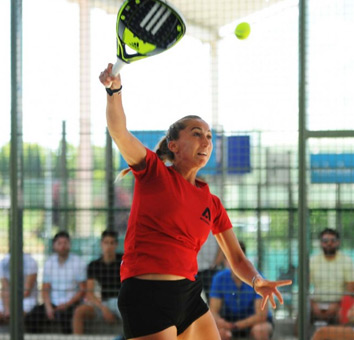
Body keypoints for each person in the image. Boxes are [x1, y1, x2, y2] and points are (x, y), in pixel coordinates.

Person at [99, 64, 291, 340]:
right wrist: (114, 90)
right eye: (196, 133)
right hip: (146, 295)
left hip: (189, 296)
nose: (206, 140)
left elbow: (236, 258)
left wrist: (257, 281)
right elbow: (119, 131)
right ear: (174, 145)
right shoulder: (153, 173)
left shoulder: (211, 203)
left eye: (209, 136)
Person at [25, 231, 86, 334]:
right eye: (59, 243)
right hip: (53, 303)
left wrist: (67, 304)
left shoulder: (78, 262)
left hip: (71, 303)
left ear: (69, 244)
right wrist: (48, 307)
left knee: (67, 318)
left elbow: (82, 289)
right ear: (54, 246)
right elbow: (45, 288)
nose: (63, 246)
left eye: (65, 243)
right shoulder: (49, 262)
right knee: (32, 317)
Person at [209, 241, 272, 340]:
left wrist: (236, 325)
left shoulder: (259, 279)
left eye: (238, 259)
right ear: (225, 261)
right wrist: (221, 322)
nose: (234, 263)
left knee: (261, 330)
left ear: (244, 259)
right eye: (230, 259)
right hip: (228, 321)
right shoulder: (218, 279)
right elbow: (213, 311)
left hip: (253, 323)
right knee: (218, 333)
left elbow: (261, 316)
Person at [72, 230, 123, 334]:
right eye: (106, 242)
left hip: (121, 302)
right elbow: (89, 293)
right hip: (102, 303)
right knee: (79, 312)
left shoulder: (123, 261)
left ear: (116, 245)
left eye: (112, 243)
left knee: (133, 316)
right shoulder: (94, 265)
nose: (108, 246)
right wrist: (103, 309)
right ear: (101, 244)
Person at [309, 228, 354, 324]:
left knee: (344, 311)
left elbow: (351, 290)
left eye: (333, 241)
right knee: (302, 312)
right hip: (317, 303)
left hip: (339, 303)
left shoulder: (347, 261)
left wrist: (337, 304)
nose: (329, 243)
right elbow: (304, 287)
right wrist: (313, 304)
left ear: (338, 243)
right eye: (325, 241)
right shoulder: (313, 260)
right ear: (321, 243)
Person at [0, 254, 38, 332]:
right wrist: (7, 309)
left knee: (16, 317)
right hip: (7, 300)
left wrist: (11, 309)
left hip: (26, 299)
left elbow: (26, 291)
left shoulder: (30, 262)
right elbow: (5, 288)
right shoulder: (3, 263)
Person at [198, 232, 226, 302]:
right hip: (192, 270)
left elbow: (223, 245)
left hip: (211, 269)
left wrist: (215, 264)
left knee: (212, 300)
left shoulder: (214, 223)